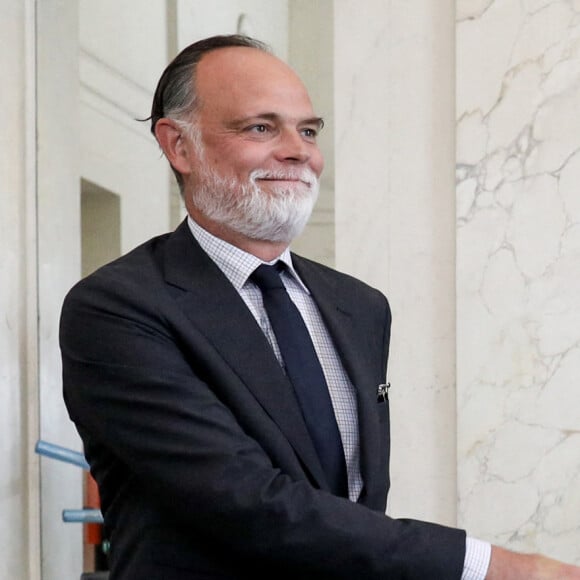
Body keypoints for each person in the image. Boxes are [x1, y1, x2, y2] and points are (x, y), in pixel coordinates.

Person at [60, 34, 580, 579]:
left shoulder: (359, 306)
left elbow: (348, 507)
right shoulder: (117, 309)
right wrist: (491, 566)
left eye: (307, 130)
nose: (298, 150)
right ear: (179, 146)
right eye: (261, 128)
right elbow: (247, 502)